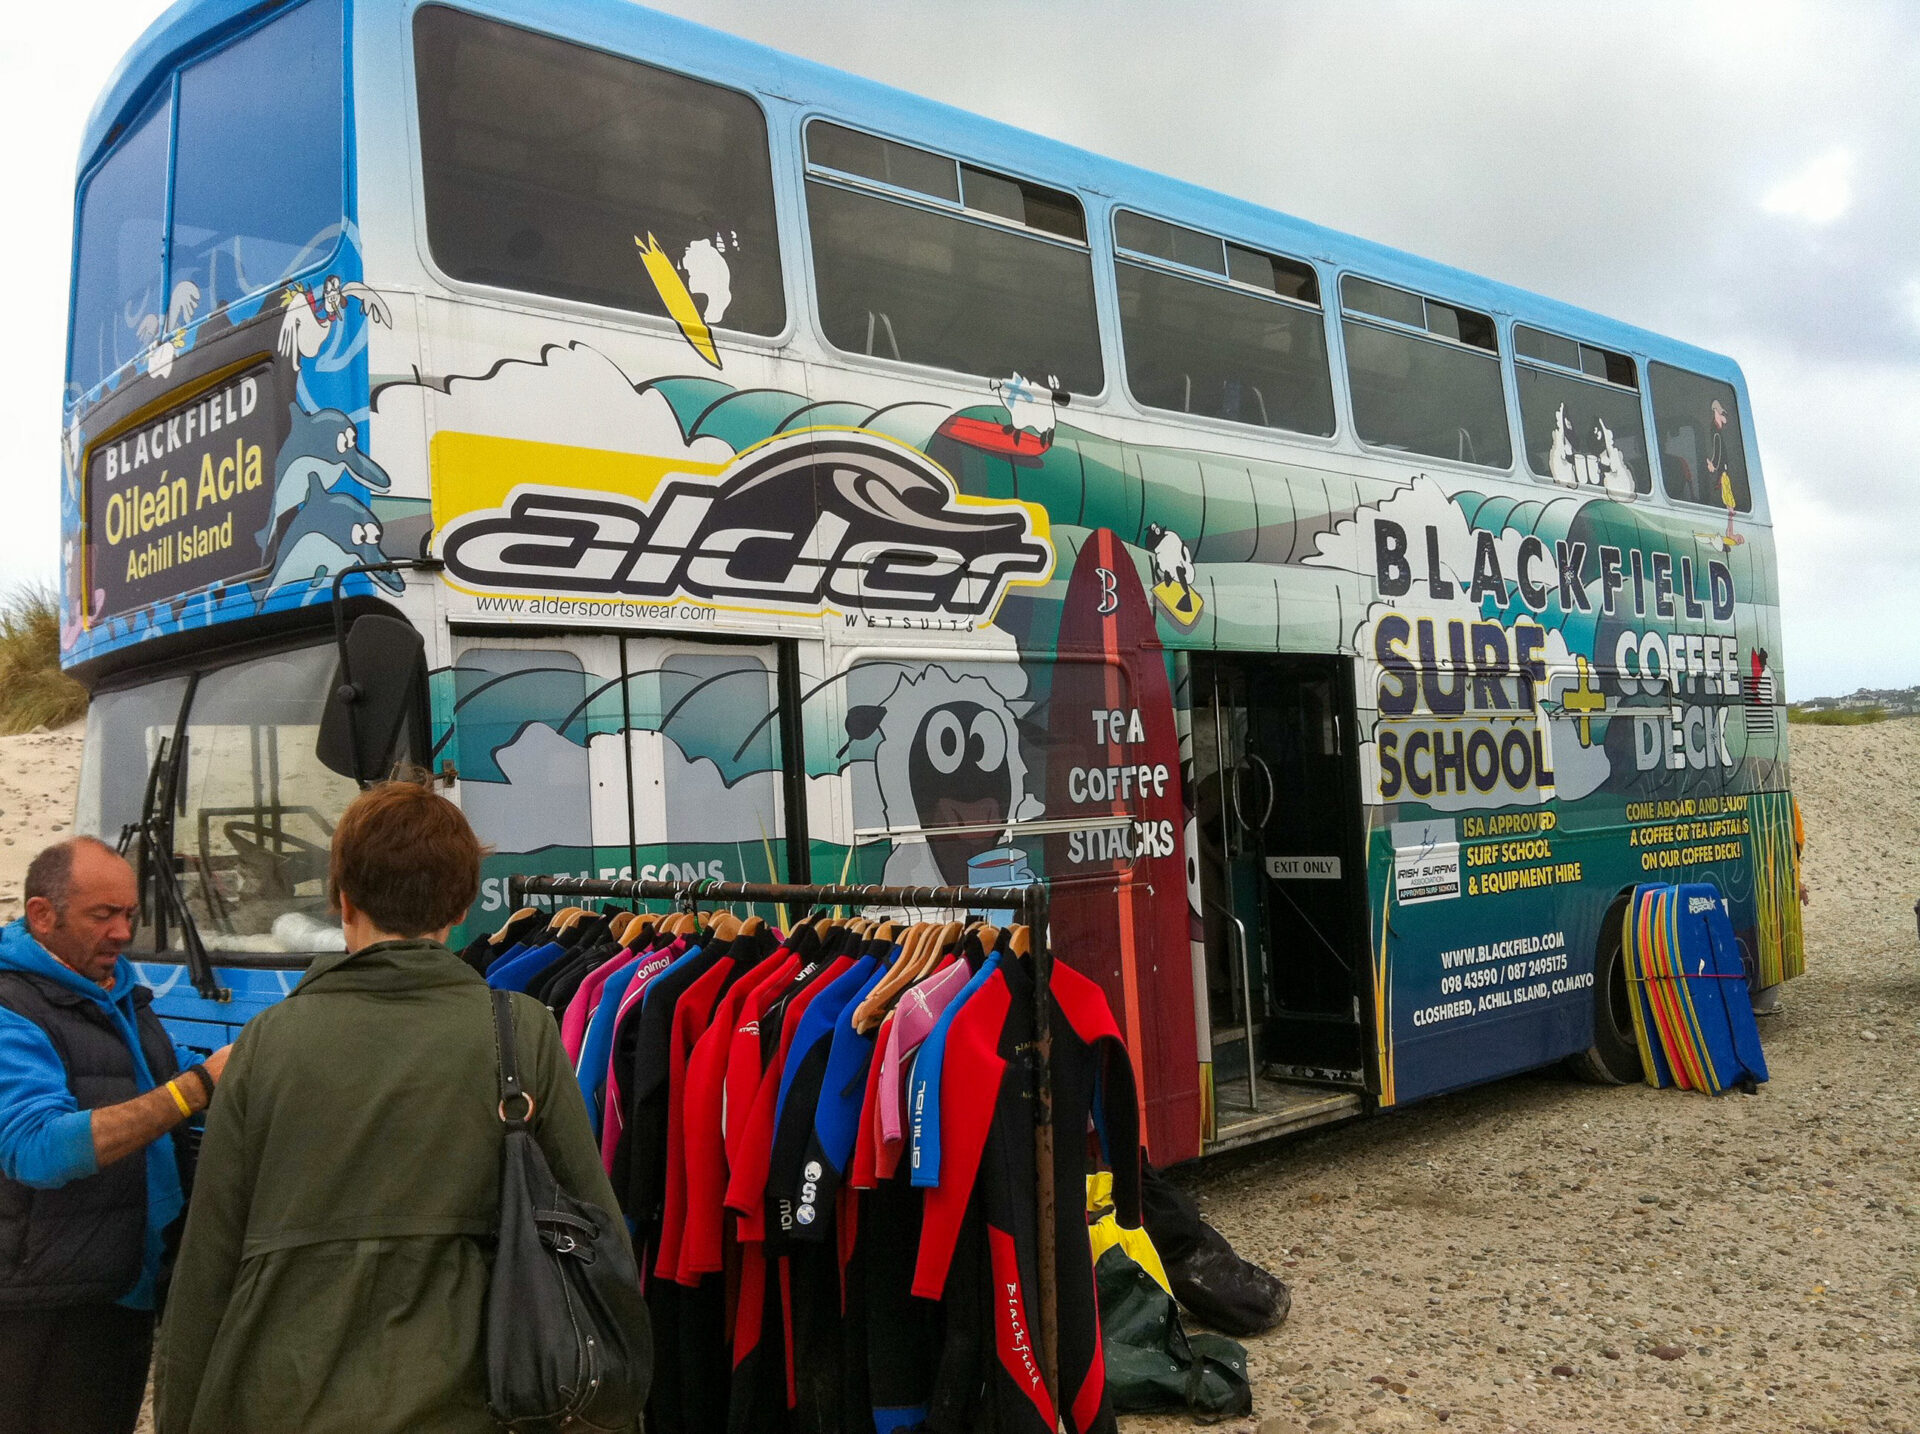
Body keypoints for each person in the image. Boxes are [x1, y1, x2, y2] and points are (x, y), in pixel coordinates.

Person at [155, 775, 641, 1434]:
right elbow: (597, 1240)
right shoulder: (518, 1032)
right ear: (465, 902)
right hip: (470, 1405)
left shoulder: (267, 1043)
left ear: (340, 897)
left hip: (284, 1404)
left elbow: (206, 1268)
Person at [0, 836, 230, 1434]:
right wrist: (198, 1087)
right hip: (45, 1303)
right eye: (103, 915)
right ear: (41, 915)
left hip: (125, 1285)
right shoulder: (10, 1007)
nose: (124, 932)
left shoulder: (115, 987)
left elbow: (168, 1067)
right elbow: (37, 1147)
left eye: (130, 914)